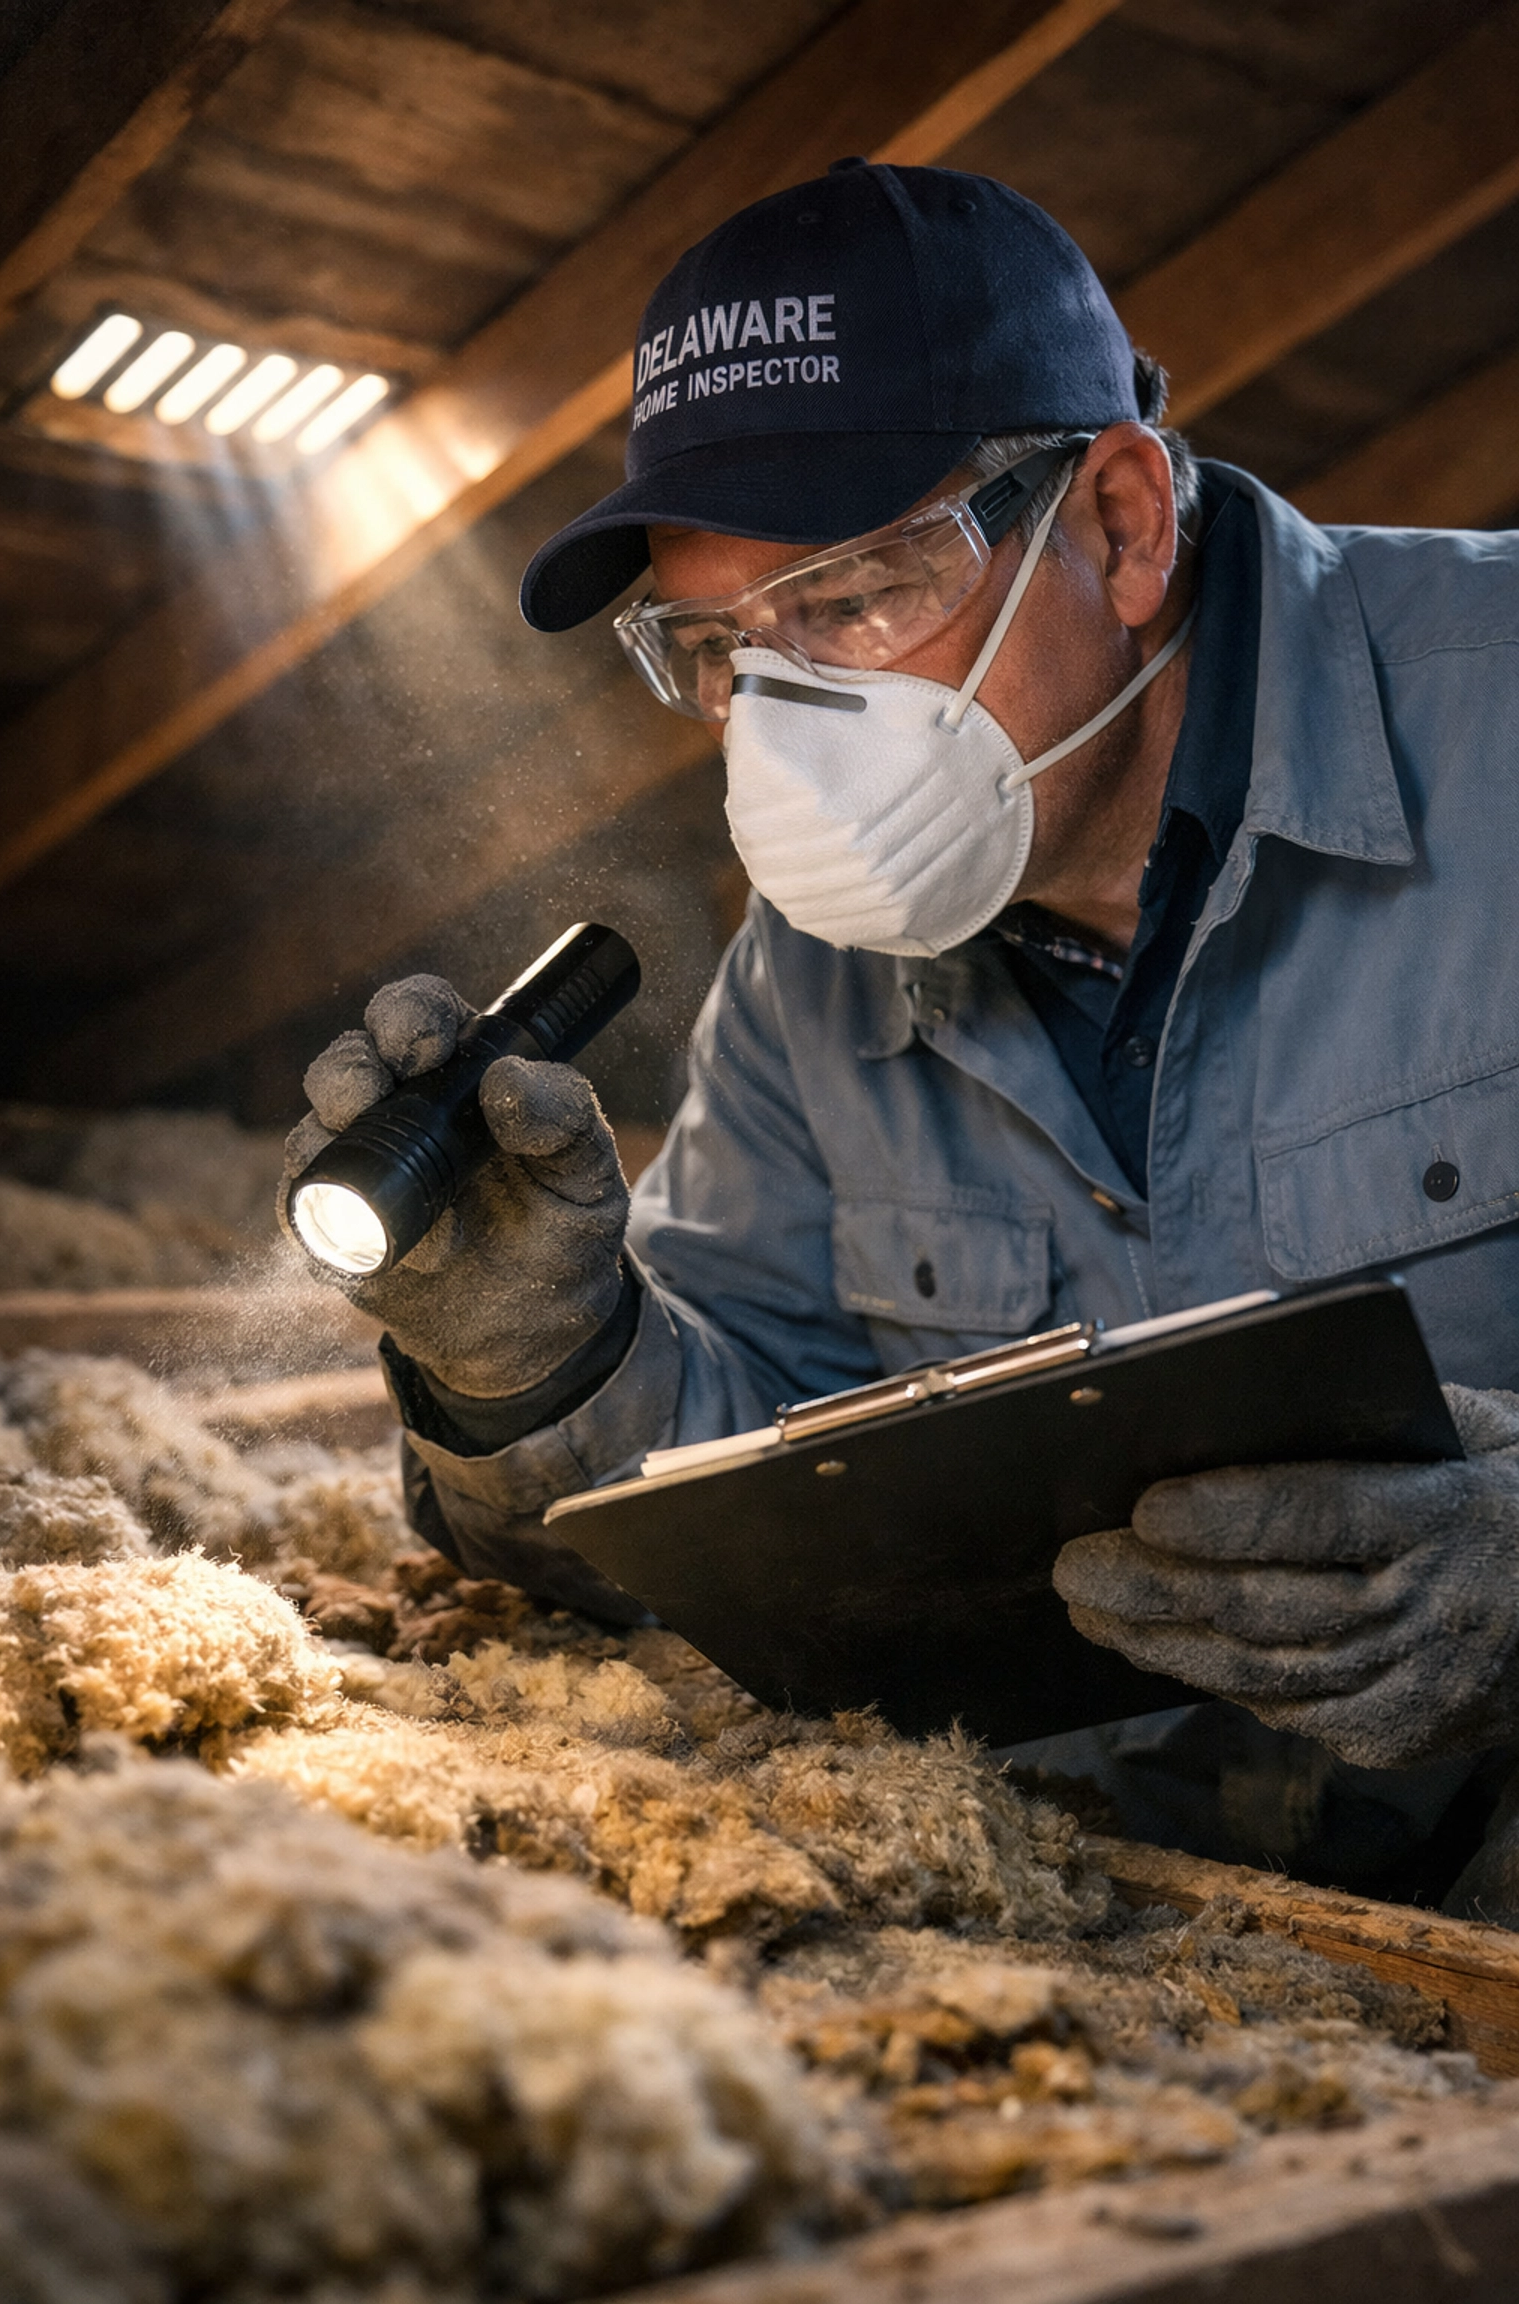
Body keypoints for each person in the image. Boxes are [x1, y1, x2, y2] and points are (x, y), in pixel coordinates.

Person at [283, 160, 1519, 1916]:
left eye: (853, 599)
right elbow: (747, 1502)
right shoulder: (816, 957)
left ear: (1119, 521)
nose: (785, 728)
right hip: (1164, 1926)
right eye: (718, 646)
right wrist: (536, 1364)